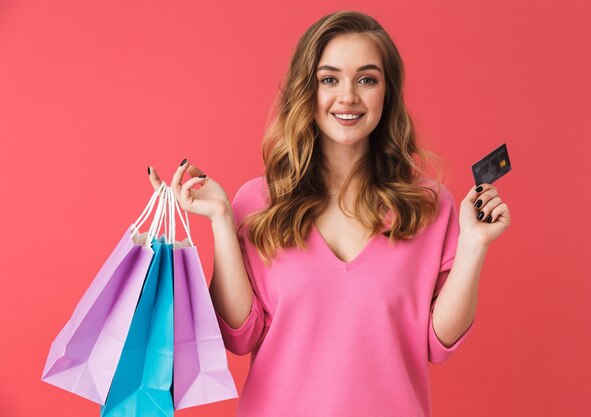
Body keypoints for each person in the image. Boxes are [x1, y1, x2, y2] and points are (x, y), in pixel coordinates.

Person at [148, 10, 510, 417]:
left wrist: (474, 245)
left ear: (387, 93)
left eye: (367, 79)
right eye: (329, 79)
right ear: (308, 90)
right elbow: (239, 335)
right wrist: (220, 221)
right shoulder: (259, 202)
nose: (348, 97)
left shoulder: (429, 205)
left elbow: (437, 343)